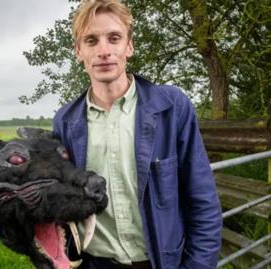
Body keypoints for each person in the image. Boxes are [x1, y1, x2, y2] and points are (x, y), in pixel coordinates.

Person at [52, 0, 222, 268]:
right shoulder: (65, 121)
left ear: (128, 46)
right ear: (78, 50)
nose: (104, 51)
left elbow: (202, 201)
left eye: (114, 38)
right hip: (95, 263)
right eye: (92, 40)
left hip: (159, 262)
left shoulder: (172, 107)